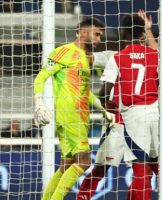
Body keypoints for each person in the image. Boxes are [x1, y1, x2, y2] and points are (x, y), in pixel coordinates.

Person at [33, 18, 114, 200]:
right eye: (97, 34)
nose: (100, 39)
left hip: (80, 118)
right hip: (70, 116)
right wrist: (39, 101)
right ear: (83, 32)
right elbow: (40, 77)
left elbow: (86, 92)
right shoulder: (63, 52)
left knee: (66, 165)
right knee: (84, 162)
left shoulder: (85, 58)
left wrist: (103, 110)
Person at [98, 12, 160, 200]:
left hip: (134, 117)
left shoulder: (118, 57)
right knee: (157, 165)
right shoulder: (155, 54)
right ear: (142, 34)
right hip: (156, 113)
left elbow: (104, 90)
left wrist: (106, 104)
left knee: (140, 168)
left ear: (123, 32)